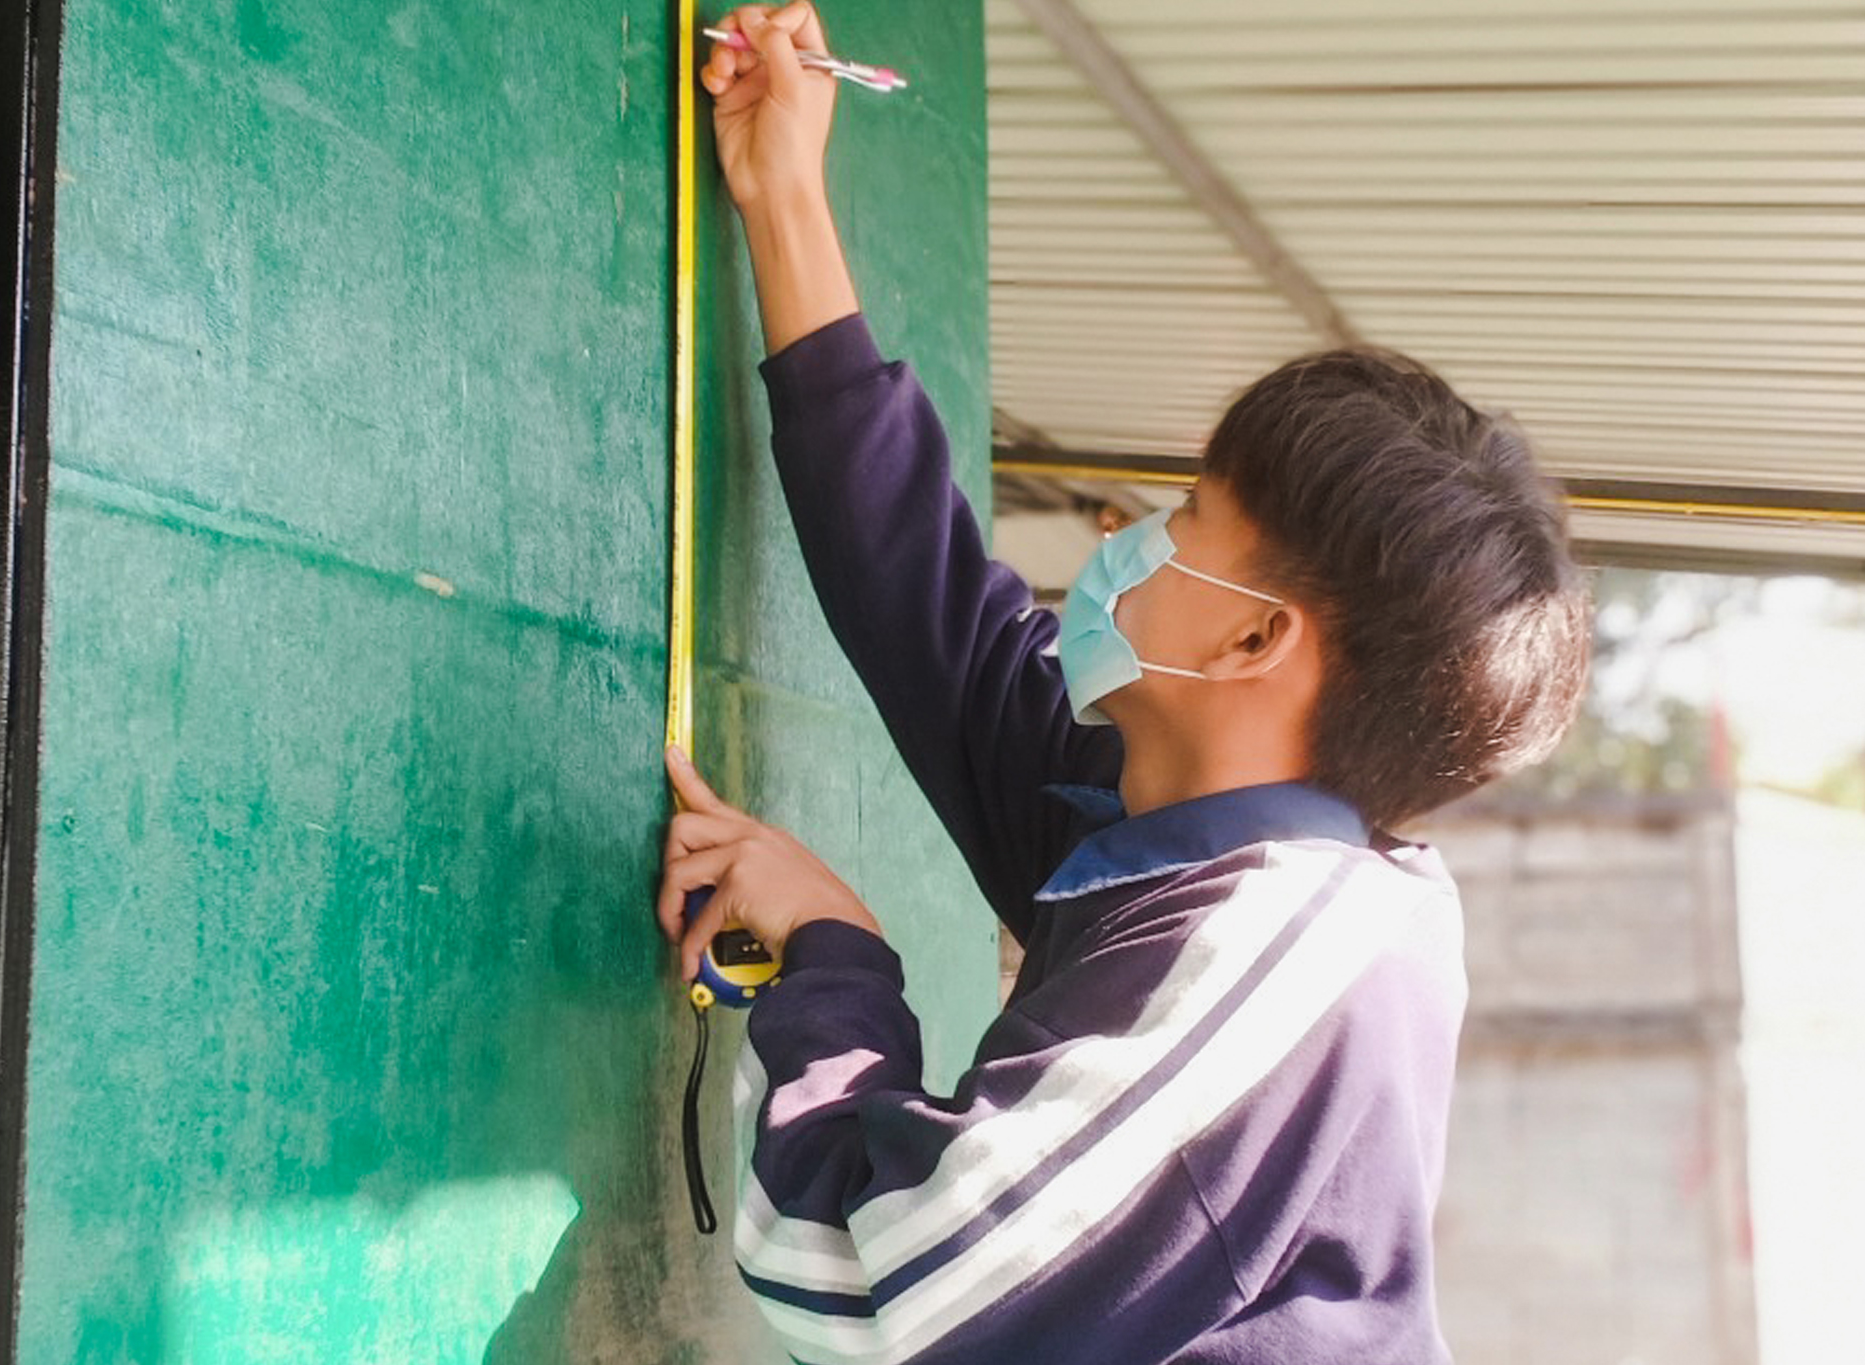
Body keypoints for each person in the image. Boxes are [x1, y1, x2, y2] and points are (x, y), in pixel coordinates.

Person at [655, 5, 1591, 1362]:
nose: (1124, 538)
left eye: (1188, 517)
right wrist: (783, 192)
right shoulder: (1198, 840)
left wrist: (839, 959)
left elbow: (869, 1290)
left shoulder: (1284, 953)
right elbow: (938, 621)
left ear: (1254, 641)